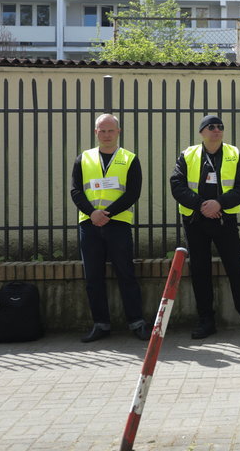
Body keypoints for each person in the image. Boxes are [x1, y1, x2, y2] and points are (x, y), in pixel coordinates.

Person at [170, 114, 240, 339]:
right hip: (195, 221)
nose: (217, 130)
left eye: (220, 127)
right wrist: (202, 205)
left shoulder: (235, 154)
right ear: (202, 132)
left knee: (236, 268)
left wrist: (219, 204)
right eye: (211, 127)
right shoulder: (188, 155)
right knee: (200, 270)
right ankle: (206, 321)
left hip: (224, 220)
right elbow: (177, 185)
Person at [70, 114, 149, 343]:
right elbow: (76, 191)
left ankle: (137, 323)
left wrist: (107, 213)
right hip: (90, 223)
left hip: (118, 224)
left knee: (126, 274)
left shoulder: (130, 158)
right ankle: (101, 324)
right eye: (101, 131)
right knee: (93, 277)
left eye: (110, 131)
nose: (106, 135)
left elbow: (133, 192)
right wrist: (93, 213)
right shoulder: (83, 158)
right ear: (96, 133)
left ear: (118, 132)